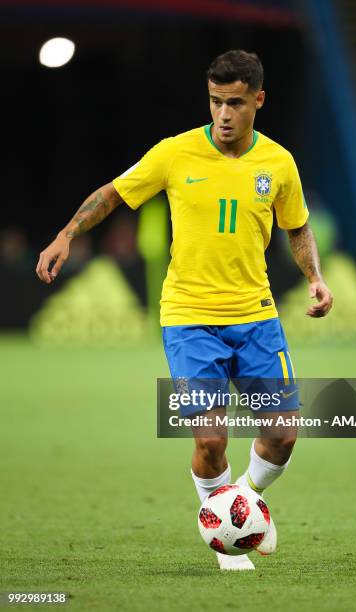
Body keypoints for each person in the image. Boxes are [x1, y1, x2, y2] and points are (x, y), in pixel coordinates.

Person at [36, 50, 333, 571]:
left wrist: (315, 278)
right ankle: (227, 536)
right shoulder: (175, 153)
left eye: (236, 103)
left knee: (283, 434)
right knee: (211, 437)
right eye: (216, 101)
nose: (223, 114)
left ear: (258, 101)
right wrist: (66, 234)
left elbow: (298, 225)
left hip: (256, 314)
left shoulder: (279, 164)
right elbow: (112, 194)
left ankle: (241, 503)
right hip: (189, 317)